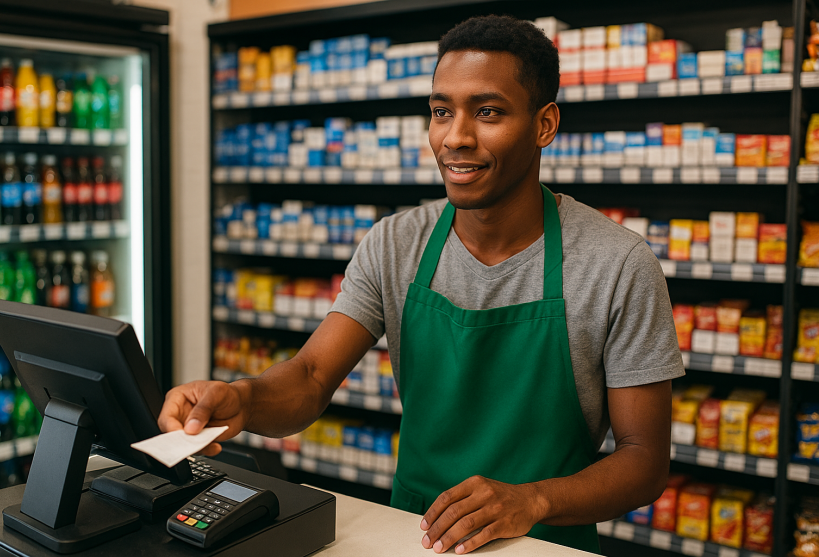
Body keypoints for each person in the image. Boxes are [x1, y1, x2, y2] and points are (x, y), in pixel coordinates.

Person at [159, 14, 685, 555]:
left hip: (545, 542)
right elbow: (312, 375)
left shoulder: (617, 264)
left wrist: (533, 501)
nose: (455, 137)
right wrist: (242, 400)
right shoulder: (396, 243)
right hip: (415, 534)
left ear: (544, 125)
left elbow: (644, 460)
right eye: (441, 112)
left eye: (488, 112)